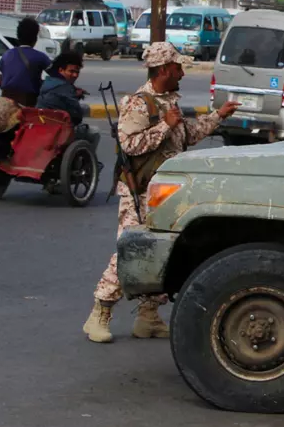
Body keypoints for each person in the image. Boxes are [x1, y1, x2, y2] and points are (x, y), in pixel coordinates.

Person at [82, 42, 240, 343]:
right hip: (141, 193)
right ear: (165, 69)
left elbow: (187, 135)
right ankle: (99, 313)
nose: (182, 72)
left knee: (163, 250)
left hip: (166, 193)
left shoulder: (169, 102)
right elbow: (129, 145)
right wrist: (164, 128)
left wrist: (218, 116)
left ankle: (148, 317)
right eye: (178, 67)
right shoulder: (140, 103)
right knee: (132, 251)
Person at [37, 50, 99, 146]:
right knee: (94, 132)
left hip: (42, 126)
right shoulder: (66, 88)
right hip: (60, 131)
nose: (75, 75)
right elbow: (77, 117)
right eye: (71, 71)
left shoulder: (47, 83)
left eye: (77, 72)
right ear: (61, 70)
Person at [0, 18, 50, 106]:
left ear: (18, 36)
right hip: (29, 103)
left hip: (6, 102)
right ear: (35, 38)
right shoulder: (41, 57)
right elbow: (55, 75)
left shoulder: (7, 54)